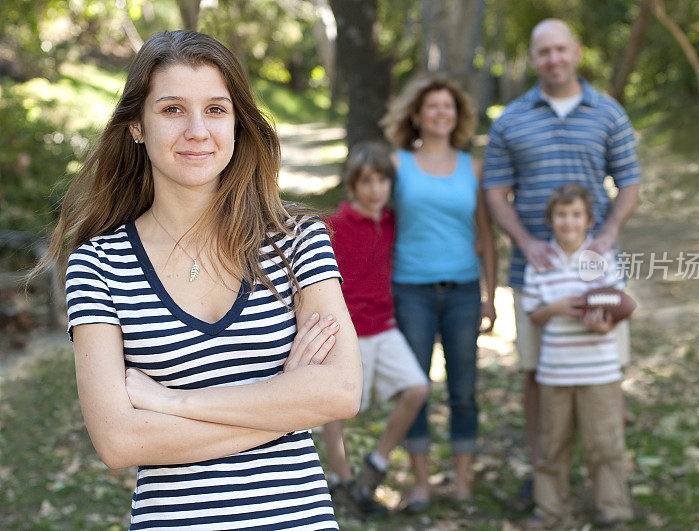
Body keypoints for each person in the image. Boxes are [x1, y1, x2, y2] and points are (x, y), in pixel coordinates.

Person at [42, 31, 362, 529]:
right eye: (172, 109)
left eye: (216, 109)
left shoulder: (295, 239)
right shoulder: (97, 267)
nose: (197, 130)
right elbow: (120, 441)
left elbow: (341, 392)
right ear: (137, 126)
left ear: (237, 122)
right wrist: (288, 400)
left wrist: (172, 404)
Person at [483, 18, 641, 510]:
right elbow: (494, 191)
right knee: (537, 373)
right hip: (539, 270)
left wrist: (609, 232)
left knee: (606, 367)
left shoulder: (609, 113)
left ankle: (609, 478)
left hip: (596, 269)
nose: (553, 59)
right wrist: (526, 241)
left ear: (576, 51)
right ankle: (545, 475)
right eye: (543, 52)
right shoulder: (511, 119)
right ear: (533, 60)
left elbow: (630, 183)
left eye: (560, 49)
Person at [380, 75, 497, 510]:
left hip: (464, 291)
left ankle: (463, 483)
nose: (440, 113)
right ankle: (423, 485)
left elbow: (485, 235)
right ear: (416, 115)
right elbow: (377, 226)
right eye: (432, 107)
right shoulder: (396, 165)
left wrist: (488, 296)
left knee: (464, 389)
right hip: (411, 291)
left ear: (458, 115)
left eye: (448, 106)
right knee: (417, 386)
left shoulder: (474, 167)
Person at [320, 142, 429, 515]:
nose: (375, 189)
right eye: (367, 181)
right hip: (347, 331)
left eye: (382, 180)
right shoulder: (334, 226)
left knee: (417, 389)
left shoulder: (394, 223)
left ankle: (376, 464)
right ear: (353, 184)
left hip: (385, 327)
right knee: (338, 409)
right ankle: (342, 479)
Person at [520, 183, 633, 528]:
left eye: (576, 215)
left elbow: (618, 308)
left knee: (605, 443)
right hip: (556, 371)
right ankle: (550, 511)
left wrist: (603, 326)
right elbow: (533, 315)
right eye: (561, 215)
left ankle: (613, 508)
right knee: (552, 445)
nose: (568, 222)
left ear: (589, 220)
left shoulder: (602, 259)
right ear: (551, 220)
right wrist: (553, 308)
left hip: (599, 371)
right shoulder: (540, 262)